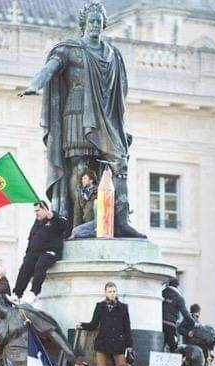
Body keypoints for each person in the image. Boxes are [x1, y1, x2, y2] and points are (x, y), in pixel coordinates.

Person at [18, 2, 146, 238]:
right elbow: (50, 69)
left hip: (106, 117)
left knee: (120, 164)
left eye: (99, 22)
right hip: (77, 113)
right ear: (84, 24)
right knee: (79, 169)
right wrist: (34, 85)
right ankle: (74, 224)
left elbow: (121, 91)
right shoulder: (70, 49)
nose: (96, 25)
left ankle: (120, 219)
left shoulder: (112, 54)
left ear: (104, 24)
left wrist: (119, 125)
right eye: (92, 21)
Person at [76, 282, 133, 366]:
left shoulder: (123, 307)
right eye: (110, 291)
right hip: (103, 343)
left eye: (114, 291)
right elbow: (93, 324)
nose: (112, 294)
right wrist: (81, 325)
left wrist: (129, 345)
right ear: (105, 293)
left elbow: (127, 327)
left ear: (116, 292)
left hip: (118, 343)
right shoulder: (100, 306)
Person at [13, 200, 68, 303]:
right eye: (35, 211)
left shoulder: (55, 218)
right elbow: (31, 240)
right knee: (25, 267)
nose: (36, 213)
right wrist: (26, 256)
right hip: (35, 252)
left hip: (50, 251)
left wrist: (52, 217)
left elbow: (64, 225)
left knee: (40, 265)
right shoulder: (36, 223)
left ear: (44, 209)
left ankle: (34, 292)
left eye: (38, 210)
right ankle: (17, 294)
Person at [162, 279, 197, 353]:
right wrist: (194, 323)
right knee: (174, 347)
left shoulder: (162, 293)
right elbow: (185, 313)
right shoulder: (179, 297)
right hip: (170, 325)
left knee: (160, 346)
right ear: (177, 286)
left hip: (159, 324)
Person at [70, 170, 97, 238]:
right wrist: (74, 232)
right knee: (75, 231)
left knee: (76, 231)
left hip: (97, 222)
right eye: (82, 179)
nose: (83, 181)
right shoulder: (81, 195)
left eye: (85, 178)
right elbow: (77, 214)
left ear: (91, 180)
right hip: (87, 223)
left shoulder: (98, 191)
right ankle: (93, 233)